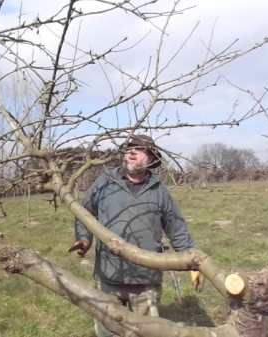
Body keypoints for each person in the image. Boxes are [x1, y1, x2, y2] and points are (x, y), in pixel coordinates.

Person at [71, 134, 201, 337]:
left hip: (146, 275)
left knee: (146, 331)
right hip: (109, 273)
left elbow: (176, 226)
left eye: (139, 149)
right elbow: (84, 214)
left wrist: (193, 262)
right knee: (108, 329)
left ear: (151, 159)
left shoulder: (159, 190)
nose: (131, 151)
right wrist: (84, 239)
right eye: (129, 147)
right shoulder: (105, 181)